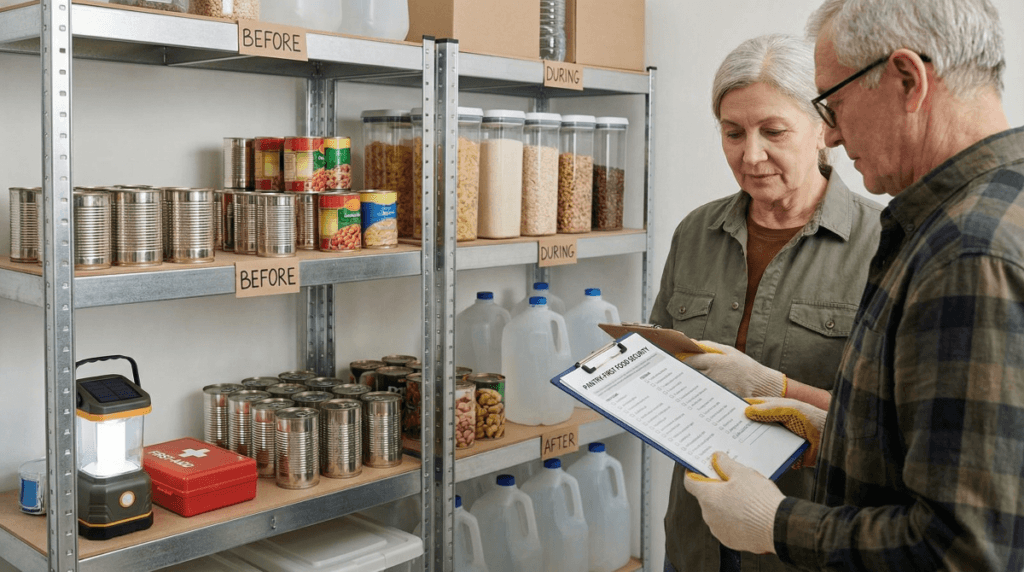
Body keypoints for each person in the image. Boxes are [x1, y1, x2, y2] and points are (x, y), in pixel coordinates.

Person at [683, 0, 1024, 570]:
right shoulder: (978, 212)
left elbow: (963, 549)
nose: (833, 136)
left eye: (834, 104)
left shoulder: (968, 252)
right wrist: (836, 434)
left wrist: (778, 524)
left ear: (907, 80)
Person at [649, 34, 883, 572]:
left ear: (825, 128)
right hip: (697, 532)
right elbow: (664, 371)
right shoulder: (696, 232)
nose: (750, 155)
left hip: (805, 538)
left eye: (773, 131)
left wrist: (772, 390)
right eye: (733, 133)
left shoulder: (882, 244)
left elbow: (886, 427)